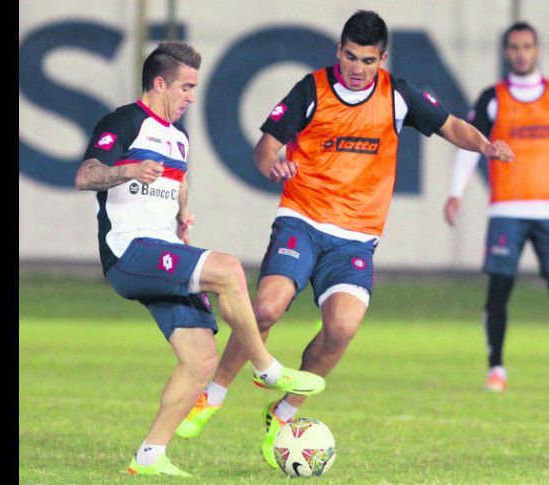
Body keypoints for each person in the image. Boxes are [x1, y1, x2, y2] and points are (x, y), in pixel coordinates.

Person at [173, 11, 514, 468]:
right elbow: (264, 148)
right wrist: (273, 164)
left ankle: (284, 411)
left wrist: (485, 145)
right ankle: (212, 395)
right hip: (302, 219)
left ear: (382, 59)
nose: (357, 67)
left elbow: (451, 124)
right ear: (338, 50)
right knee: (267, 308)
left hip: (355, 239)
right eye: (350, 56)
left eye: (367, 60)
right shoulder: (311, 90)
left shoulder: (398, 95)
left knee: (343, 328)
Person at [74, 41, 325, 477]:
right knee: (228, 269)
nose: (192, 96)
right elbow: (86, 174)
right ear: (159, 82)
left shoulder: (179, 135)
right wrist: (128, 170)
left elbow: (178, 179)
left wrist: (181, 215)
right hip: (128, 251)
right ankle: (266, 368)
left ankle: (149, 456)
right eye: (186, 86)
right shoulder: (125, 121)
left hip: (162, 247)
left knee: (201, 360)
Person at [443, 22, 549, 395]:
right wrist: (456, 192)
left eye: (527, 46)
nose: (521, 53)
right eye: (514, 47)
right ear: (505, 52)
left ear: (537, 50)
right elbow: (471, 145)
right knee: (499, 291)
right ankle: (496, 369)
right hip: (507, 210)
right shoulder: (492, 98)